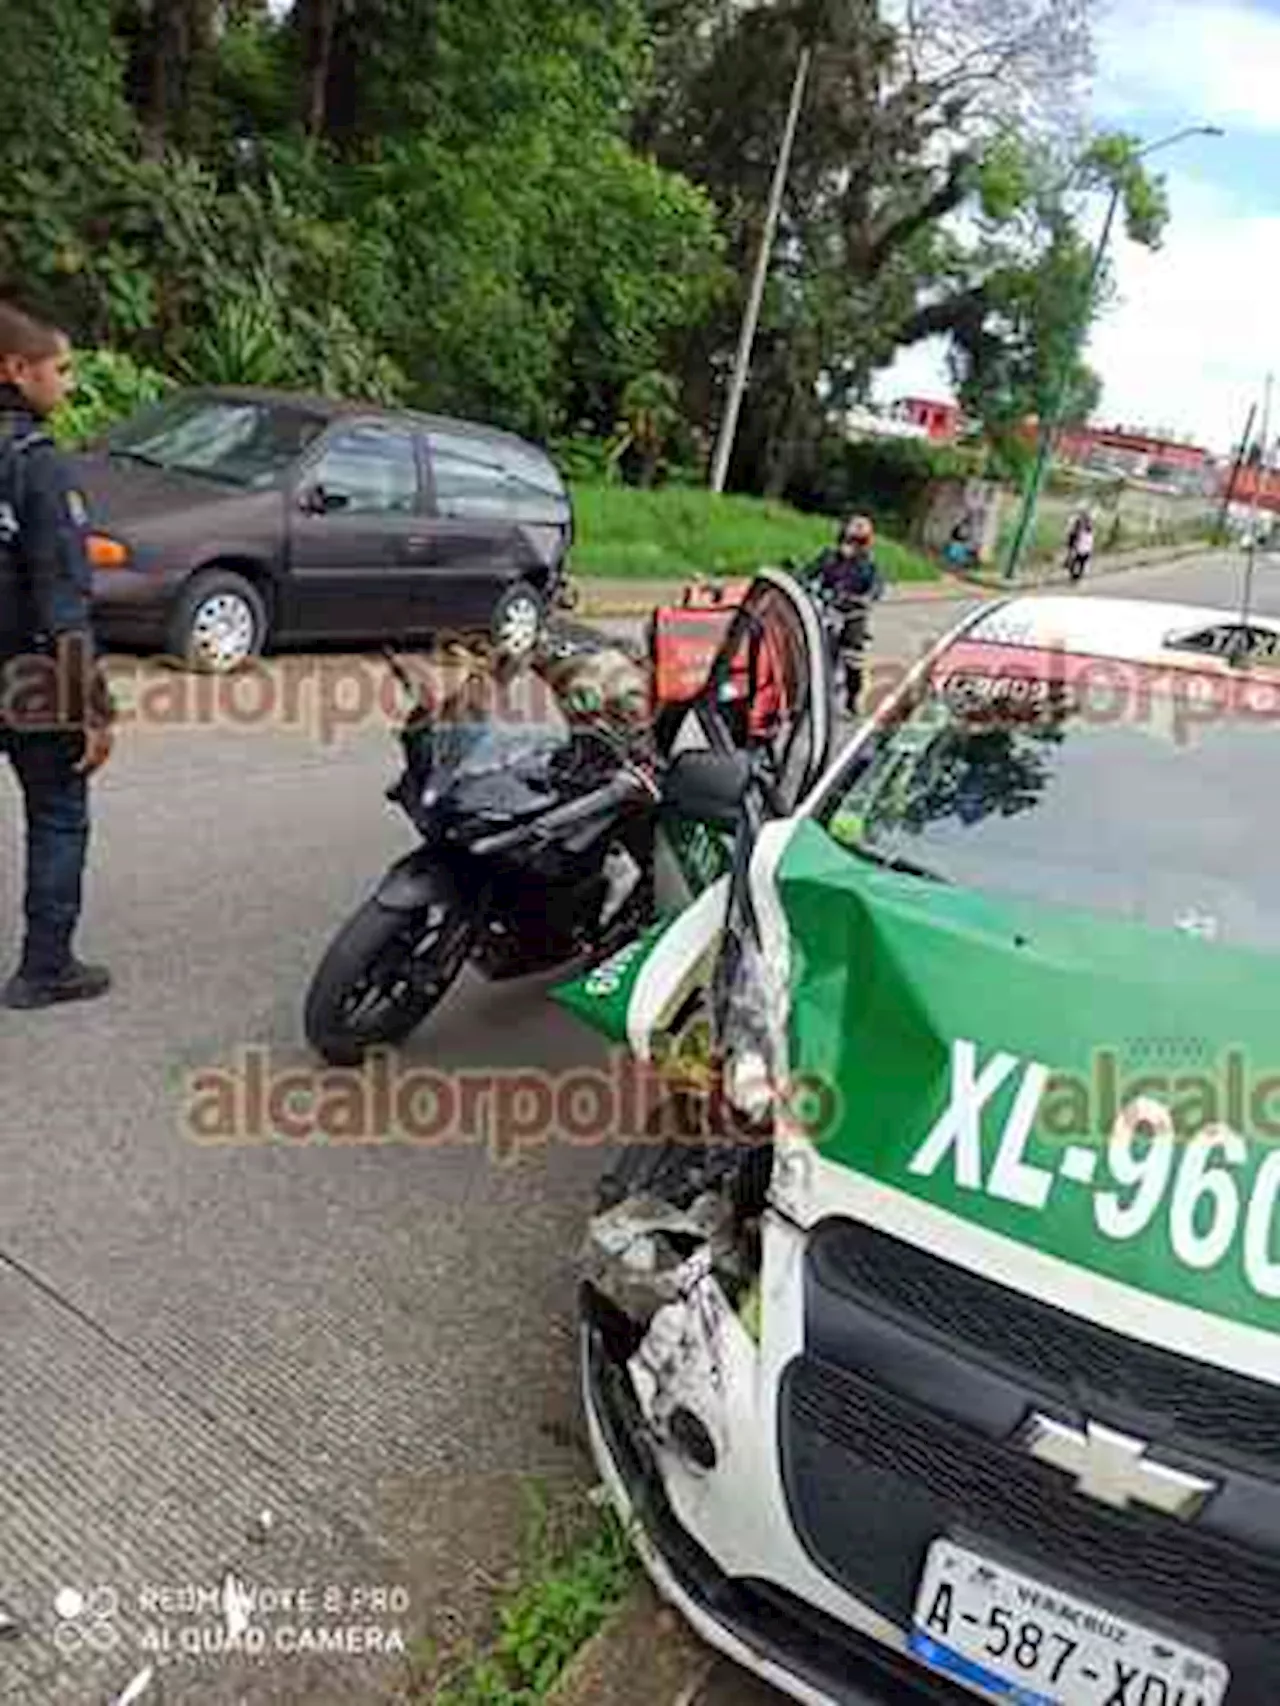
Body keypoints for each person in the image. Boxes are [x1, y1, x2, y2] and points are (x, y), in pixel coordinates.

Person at [0, 300, 115, 1008]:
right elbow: (64, 603)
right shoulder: (39, 468)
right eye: (61, 369)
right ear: (16, 369)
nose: (67, 384)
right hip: (32, 673)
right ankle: (46, 970)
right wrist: (93, 711)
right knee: (58, 810)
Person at [805, 513, 884, 715]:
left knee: (853, 658)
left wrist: (867, 598)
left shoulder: (870, 565)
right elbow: (808, 573)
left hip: (853, 615)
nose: (851, 546)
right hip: (828, 609)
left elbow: (877, 587)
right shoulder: (828, 556)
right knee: (814, 648)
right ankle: (807, 693)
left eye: (858, 542)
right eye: (848, 540)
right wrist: (804, 581)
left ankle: (852, 698)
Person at [1065, 509, 1094, 581]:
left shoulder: (1085, 529)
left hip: (1082, 548)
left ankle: (1076, 575)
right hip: (1081, 548)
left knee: (1078, 562)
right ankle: (1075, 574)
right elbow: (1073, 536)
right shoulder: (1082, 528)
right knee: (1077, 562)